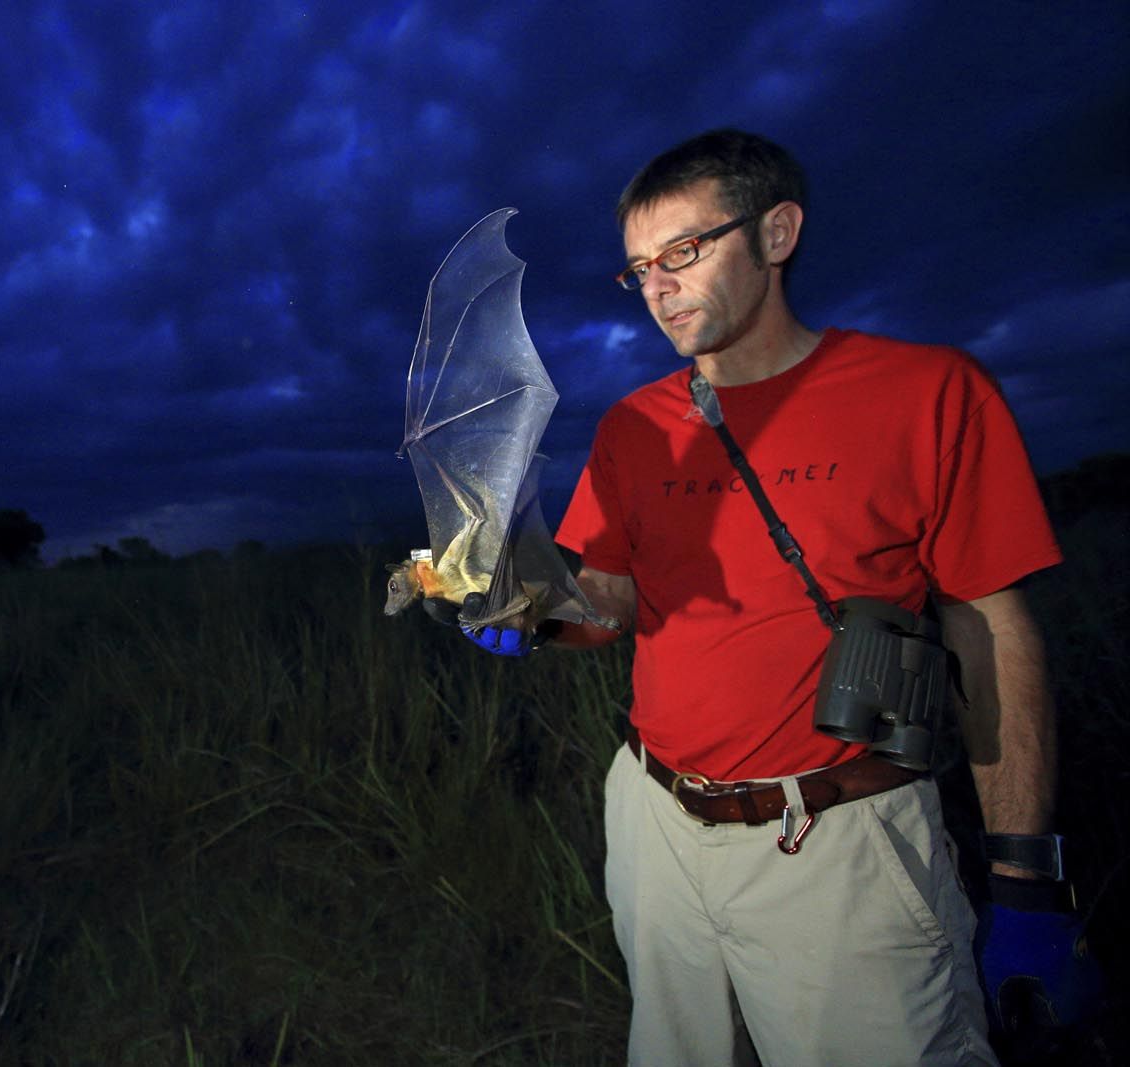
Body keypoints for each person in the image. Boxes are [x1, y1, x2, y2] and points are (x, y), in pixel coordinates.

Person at [461, 129, 1097, 1065]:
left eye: (684, 251)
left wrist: (1024, 874)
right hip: (653, 821)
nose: (660, 287)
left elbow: (991, 624)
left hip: (840, 833)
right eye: (639, 270)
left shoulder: (928, 393)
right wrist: (529, 610)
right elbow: (608, 601)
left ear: (777, 232)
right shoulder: (636, 429)